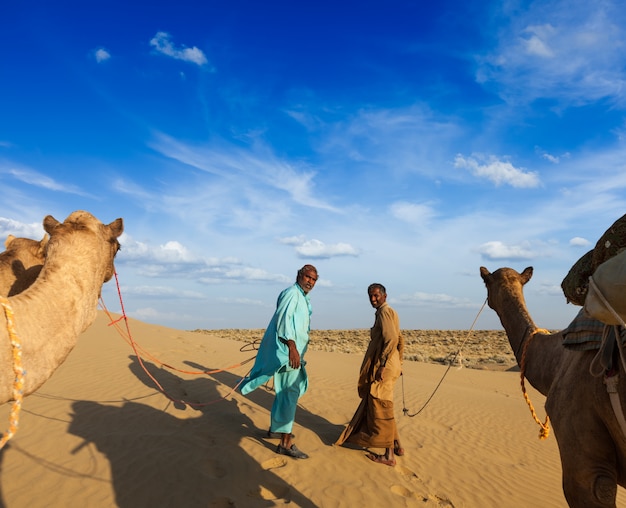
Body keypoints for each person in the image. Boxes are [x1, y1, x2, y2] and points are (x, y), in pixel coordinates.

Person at [240, 264, 318, 459]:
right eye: (308, 277)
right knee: (289, 394)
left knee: (285, 393)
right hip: (288, 354)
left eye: (314, 279)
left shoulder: (302, 297)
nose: (310, 282)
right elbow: (283, 320)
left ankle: (277, 429)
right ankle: (285, 443)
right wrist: (292, 347)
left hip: (294, 353)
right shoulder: (292, 294)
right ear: (299, 275)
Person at [335, 283, 404, 466]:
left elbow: (392, 339)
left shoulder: (384, 312)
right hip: (392, 364)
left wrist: (382, 364)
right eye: (370, 296)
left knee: (381, 405)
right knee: (384, 401)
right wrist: (400, 361)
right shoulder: (389, 312)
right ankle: (396, 444)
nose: (373, 299)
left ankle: (389, 454)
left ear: (384, 295)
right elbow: (400, 338)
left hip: (386, 367)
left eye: (376, 296)